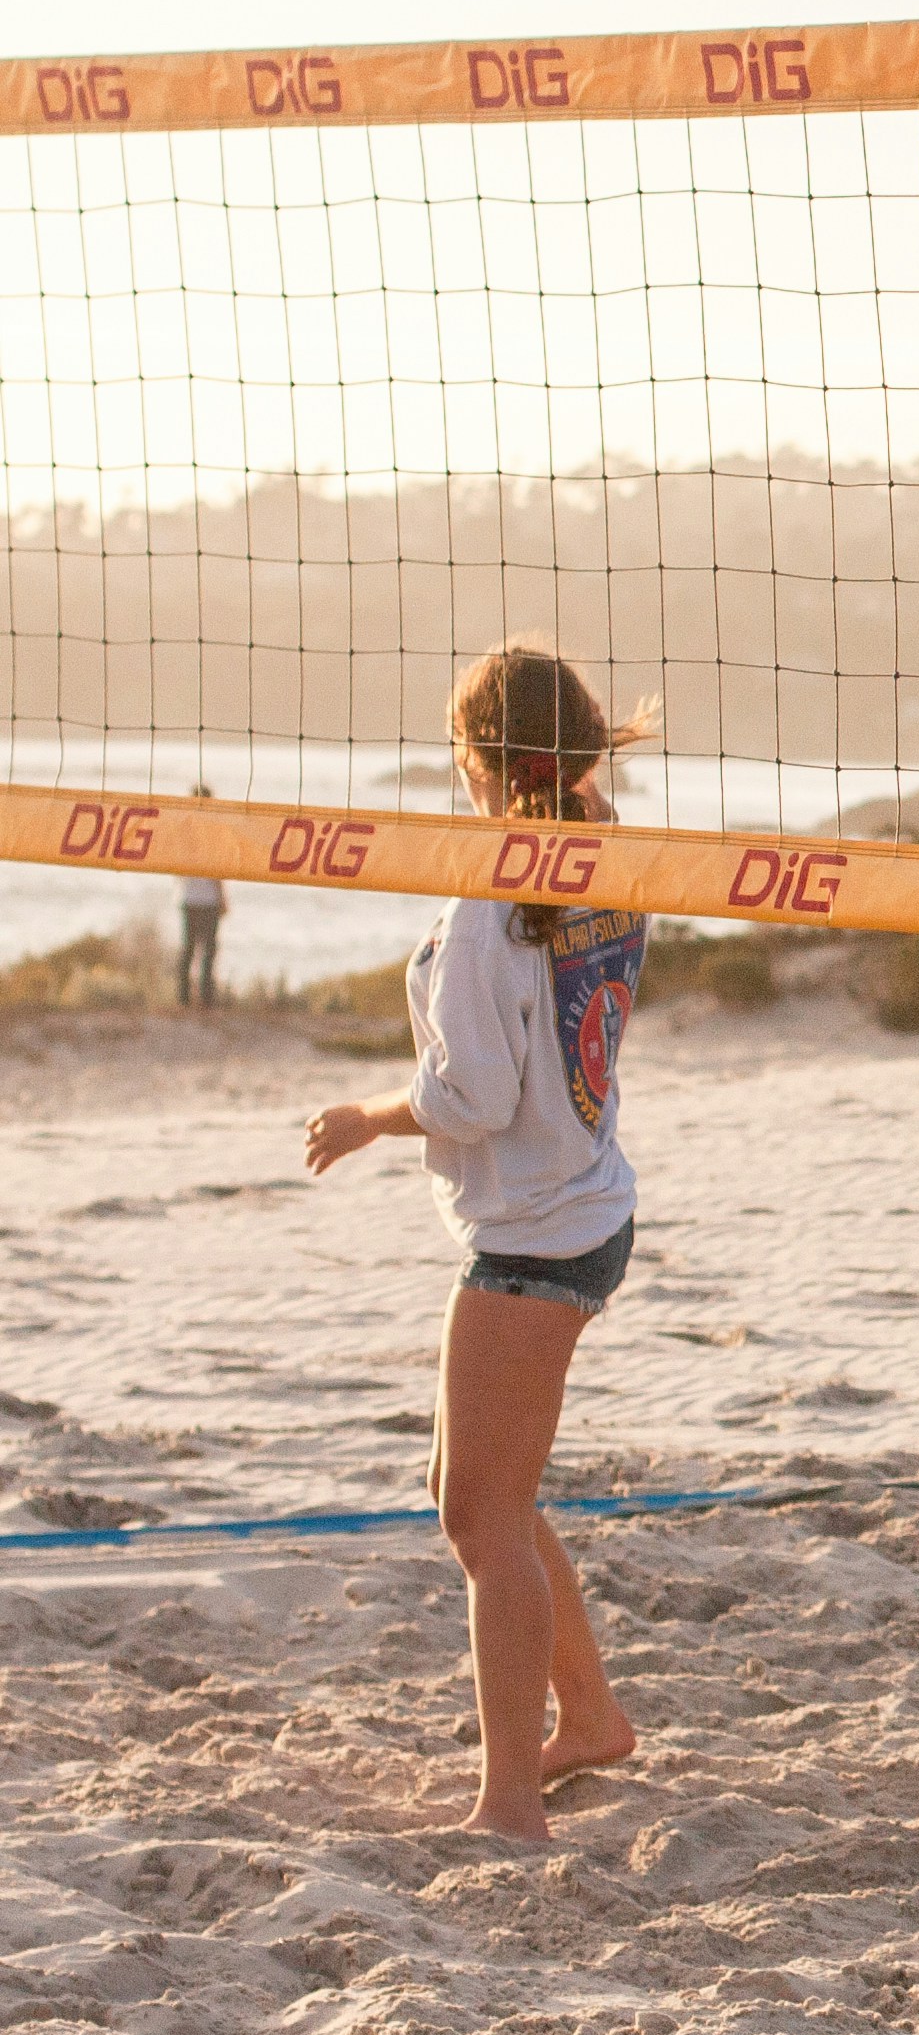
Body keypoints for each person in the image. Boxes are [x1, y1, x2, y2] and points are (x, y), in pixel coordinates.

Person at [304, 644, 654, 1842]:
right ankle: (593, 1720)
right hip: (584, 1209)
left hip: (534, 1236)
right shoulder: (605, 852)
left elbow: (472, 1098)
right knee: (478, 1493)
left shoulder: (485, 897)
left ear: (483, 766)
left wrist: (366, 1119)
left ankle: (510, 1802)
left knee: (480, 1521)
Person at [176, 784, 225, 1008]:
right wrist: (222, 897)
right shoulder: (211, 831)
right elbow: (218, 871)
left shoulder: (184, 830)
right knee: (203, 950)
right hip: (202, 899)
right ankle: (200, 999)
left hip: (190, 898)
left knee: (192, 949)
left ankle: (186, 999)